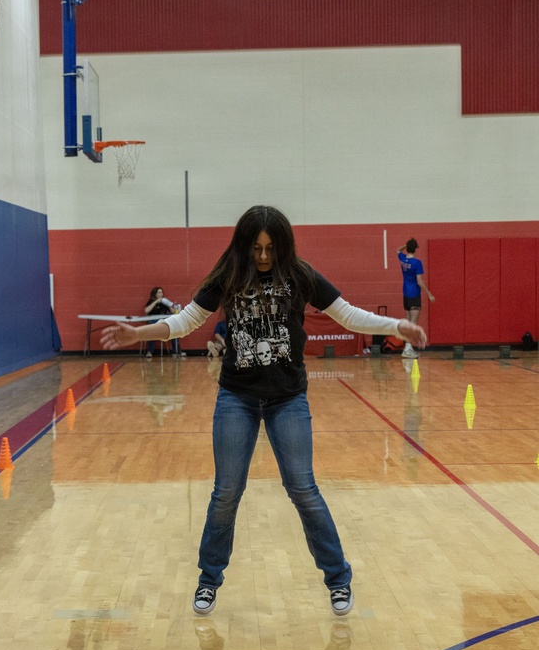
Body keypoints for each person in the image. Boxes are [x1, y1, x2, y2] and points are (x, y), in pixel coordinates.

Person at [101, 206, 427, 617]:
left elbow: (347, 315)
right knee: (226, 492)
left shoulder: (300, 275)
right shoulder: (229, 275)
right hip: (236, 397)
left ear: (283, 246)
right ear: (244, 246)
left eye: (271, 249)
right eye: (256, 248)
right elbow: (184, 322)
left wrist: (397, 326)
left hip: (287, 398)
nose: (263, 256)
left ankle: (338, 578)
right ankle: (208, 579)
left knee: (303, 489)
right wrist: (139, 333)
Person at [396, 239, 435, 358]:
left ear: (407, 248)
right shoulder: (417, 263)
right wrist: (429, 294)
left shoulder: (403, 259)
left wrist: (406, 245)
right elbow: (419, 281)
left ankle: (407, 348)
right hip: (414, 295)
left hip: (405, 295)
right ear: (416, 249)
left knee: (408, 322)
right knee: (413, 324)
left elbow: (398, 250)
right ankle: (408, 348)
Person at [144, 287, 185, 357]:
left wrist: (168, 304)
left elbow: (173, 312)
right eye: (159, 292)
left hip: (163, 322)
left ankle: (176, 351)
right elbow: (146, 311)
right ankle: (150, 351)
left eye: (162, 292)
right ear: (155, 294)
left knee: (173, 330)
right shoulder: (151, 302)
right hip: (153, 322)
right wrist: (156, 302)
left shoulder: (164, 302)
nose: (161, 294)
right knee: (152, 332)